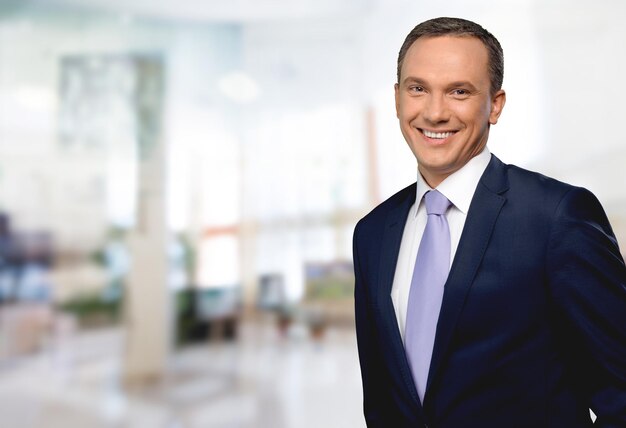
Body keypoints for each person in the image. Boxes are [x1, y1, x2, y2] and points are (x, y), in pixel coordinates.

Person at [353, 17, 626, 427]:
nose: (434, 112)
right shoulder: (372, 233)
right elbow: (382, 401)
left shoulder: (557, 217)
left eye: (459, 91)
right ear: (397, 99)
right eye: (418, 89)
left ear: (495, 105)